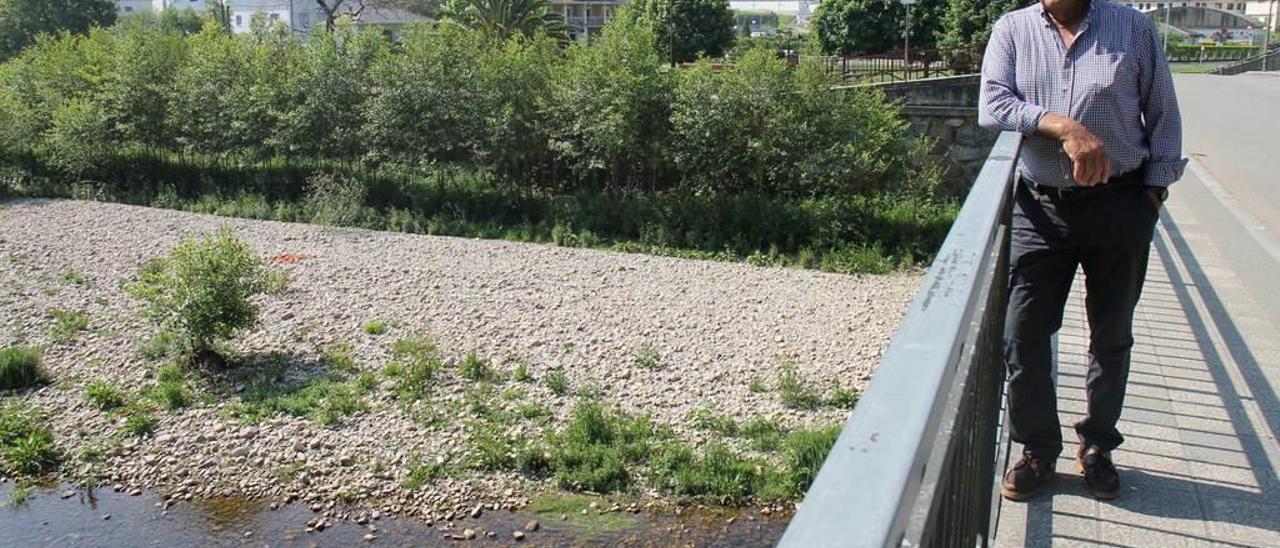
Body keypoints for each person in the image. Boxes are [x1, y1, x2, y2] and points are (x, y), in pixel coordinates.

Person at [978, 0, 1187, 501]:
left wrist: (1153, 195)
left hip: (1120, 206)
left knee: (1111, 335)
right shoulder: (1012, 29)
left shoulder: (1132, 27)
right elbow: (993, 105)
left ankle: (1097, 446)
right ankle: (1037, 450)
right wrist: (1061, 125)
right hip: (1042, 208)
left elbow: (1163, 113)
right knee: (1022, 334)